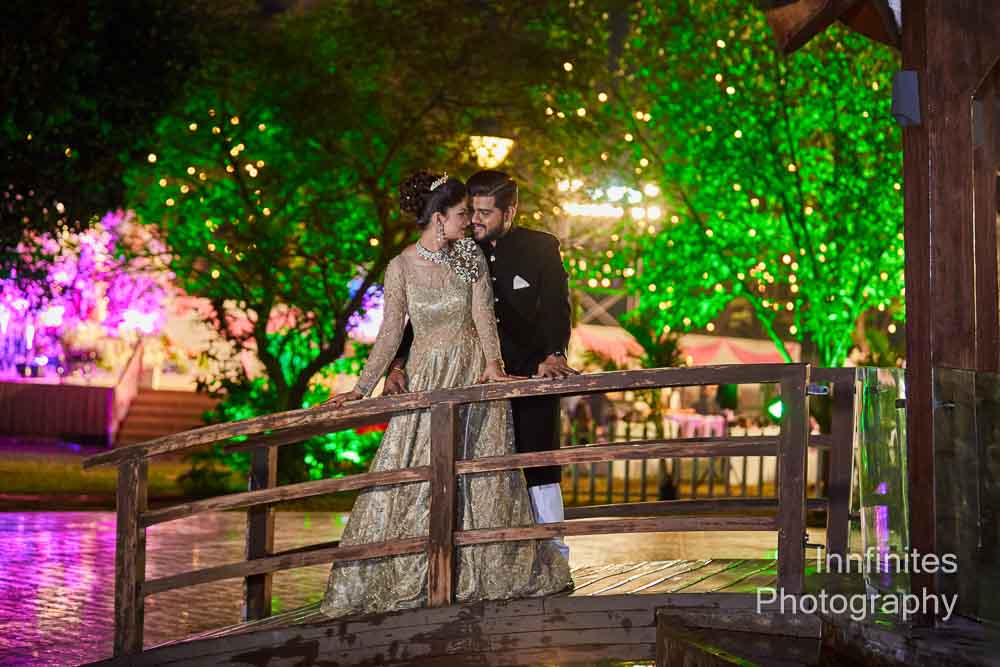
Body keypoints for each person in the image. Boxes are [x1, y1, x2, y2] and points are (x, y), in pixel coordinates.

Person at [320, 171, 571, 619]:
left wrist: (495, 367)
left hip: (478, 377)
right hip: (429, 377)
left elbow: (487, 316)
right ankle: (418, 570)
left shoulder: (476, 254)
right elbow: (392, 331)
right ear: (439, 218)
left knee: (493, 476)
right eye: (463, 213)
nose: (470, 221)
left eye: (479, 212)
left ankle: (487, 568)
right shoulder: (402, 266)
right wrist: (363, 386)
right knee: (417, 471)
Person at [383, 169, 578, 560]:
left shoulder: (540, 247)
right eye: (471, 210)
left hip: (529, 375)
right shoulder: (456, 250)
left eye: (485, 213)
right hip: (473, 381)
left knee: (539, 464)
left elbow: (557, 307)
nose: (475, 220)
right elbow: (424, 314)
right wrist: (398, 363)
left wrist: (554, 353)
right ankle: (478, 557)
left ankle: (555, 554)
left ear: (511, 211)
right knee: (474, 469)